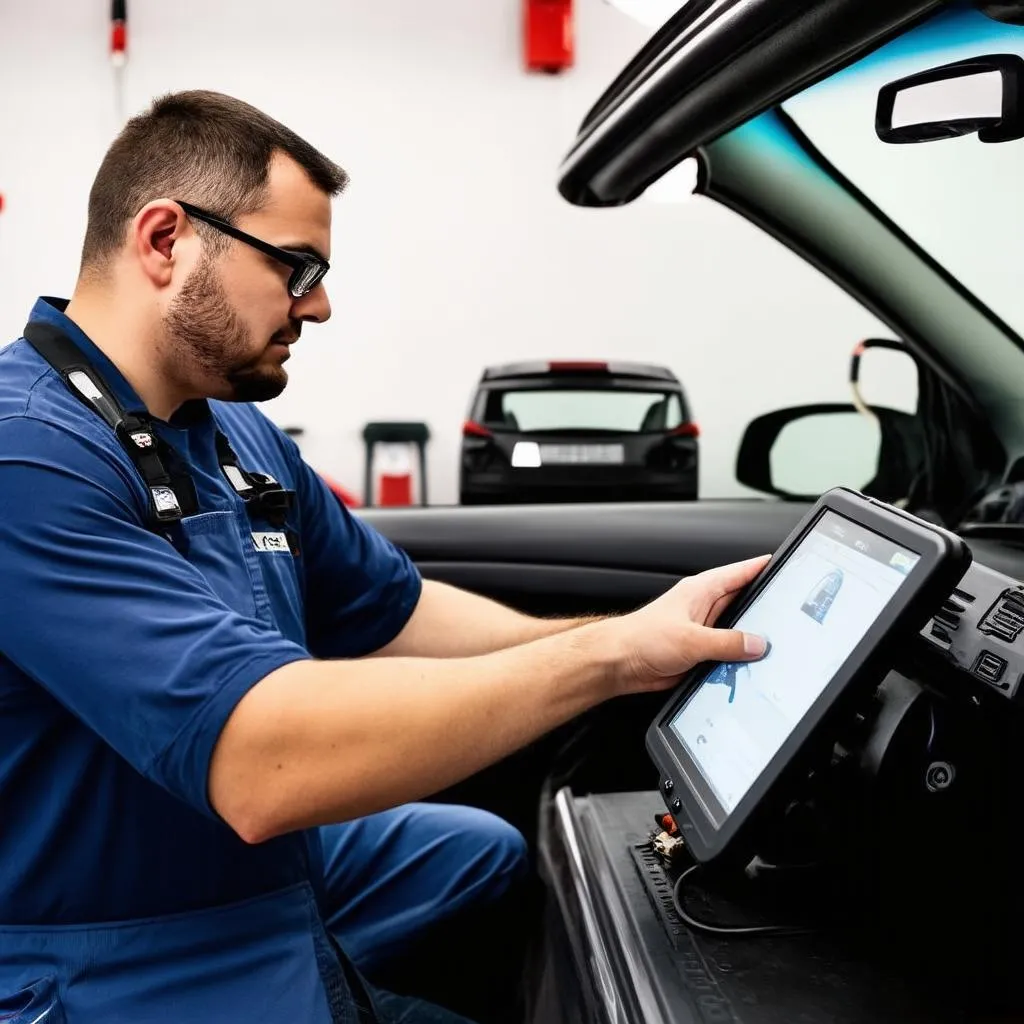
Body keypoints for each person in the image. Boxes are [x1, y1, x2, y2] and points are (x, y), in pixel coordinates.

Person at [0, 90, 770, 1024]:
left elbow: (396, 615)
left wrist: (627, 637)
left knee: (485, 853)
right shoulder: (28, 458)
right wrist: (604, 662)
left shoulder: (235, 434)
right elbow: (257, 765)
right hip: (120, 948)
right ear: (166, 241)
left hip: (250, 870)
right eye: (296, 268)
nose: (318, 305)